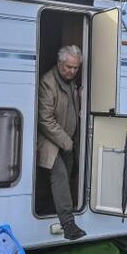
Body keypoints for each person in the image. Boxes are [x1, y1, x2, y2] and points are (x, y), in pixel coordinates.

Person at [38, 45, 86, 240]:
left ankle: (51, 209)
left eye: (75, 68)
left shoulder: (72, 83)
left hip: (67, 142)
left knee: (68, 175)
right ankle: (68, 224)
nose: (72, 71)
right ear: (59, 63)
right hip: (50, 141)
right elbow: (45, 120)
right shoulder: (48, 83)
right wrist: (67, 142)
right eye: (68, 67)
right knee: (60, 176)